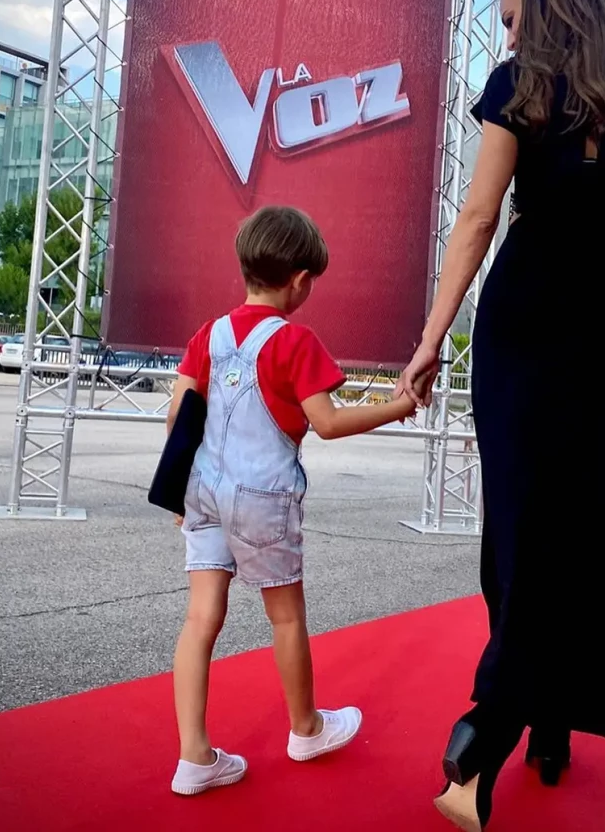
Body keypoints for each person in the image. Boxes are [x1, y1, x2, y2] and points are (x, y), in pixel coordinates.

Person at [397, 0, 605, 830]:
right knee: (592, 530)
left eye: (512, 10)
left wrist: (432, 334)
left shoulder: (518, 82)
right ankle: (547, 722)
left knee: (523, 523)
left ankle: (493, 723)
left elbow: (480, 216)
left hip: (523, 310)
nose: (510, 27)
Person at [167, 205, 418, 796]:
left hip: (202, 492)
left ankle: (194, 756)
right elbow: (326, 423)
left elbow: (180, 412)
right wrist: (400, 407)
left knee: (200, 620)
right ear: (301, 281)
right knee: (285, 617)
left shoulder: (210, 334)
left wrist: (179, 490)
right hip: (264, 501)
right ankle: (305, 728)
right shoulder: (295, 341)